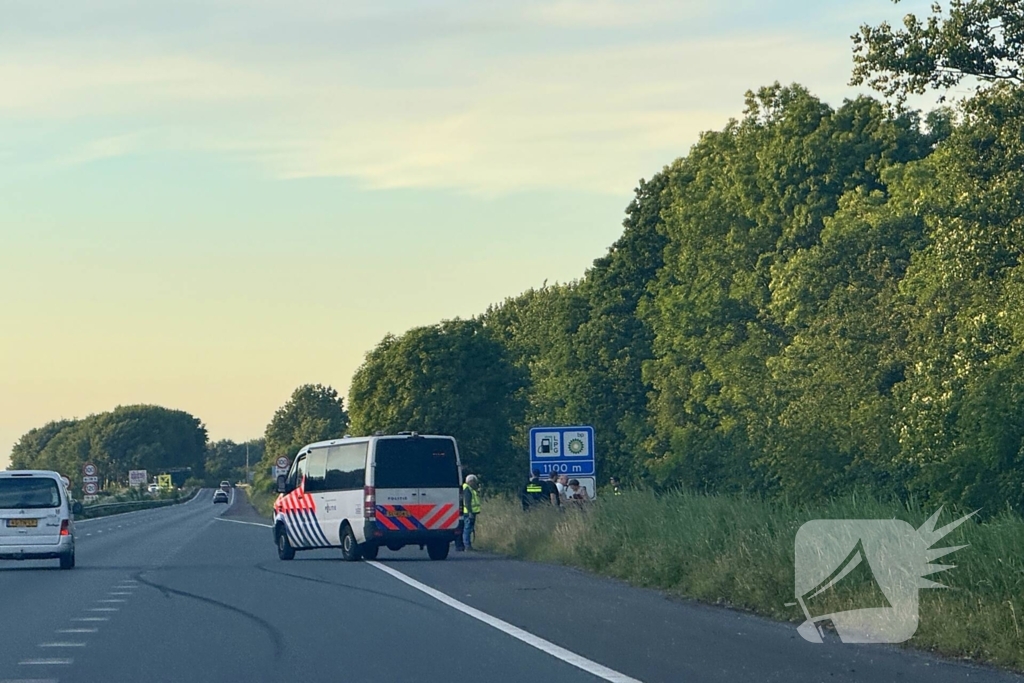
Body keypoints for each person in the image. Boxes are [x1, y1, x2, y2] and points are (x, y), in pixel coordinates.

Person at [459, 474, 481, 551]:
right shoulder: (467, 489)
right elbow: (467, 502)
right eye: (474, 482)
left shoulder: (469, 489)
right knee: (467, 529)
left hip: (470, 512)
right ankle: (467, 546)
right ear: (470, 481)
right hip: (469, 513)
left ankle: (467, 545)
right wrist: (470, 512)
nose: (475, 484)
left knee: (468, 529)